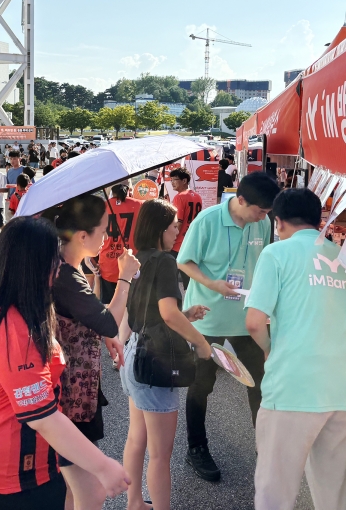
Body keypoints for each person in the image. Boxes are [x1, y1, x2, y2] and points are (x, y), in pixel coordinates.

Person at [0, 217, 130, 510]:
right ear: (33, 265)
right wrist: (103, 465)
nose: (57, 267)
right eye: (53, 260)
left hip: (16, 461)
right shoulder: (12, 326)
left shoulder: (0, 303)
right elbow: (41, 417)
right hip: (7, 473)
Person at [245, 188, 346, 510]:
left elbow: (254, 321)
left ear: (277, 222)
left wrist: (270, 349)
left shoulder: (276, 254)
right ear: (319, 220)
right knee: (331, 490)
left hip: (295, 385)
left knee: (275, 490)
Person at [177, 172, 280, 481]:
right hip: (207, 318)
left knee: (261, 383)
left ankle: (266, 448)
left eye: (267, 213)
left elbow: (263, 263)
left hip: (247, 319)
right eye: (260, 210)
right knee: (201, 386)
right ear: (242, 200)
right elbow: (184, 261)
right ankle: (196, 448)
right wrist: (213, 284)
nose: (264, 217)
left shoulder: (261, 223)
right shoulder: (207, 221)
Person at [46, 194, 140, 510]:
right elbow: (111, 322)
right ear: (83, 236)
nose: (106, 238)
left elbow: (84, 319)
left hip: (71, 385)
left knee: (73, 487)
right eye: (102, 231)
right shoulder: (67, 275)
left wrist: (100, 331)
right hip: (71, 392)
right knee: (88, 489)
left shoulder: (61, 266)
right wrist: (126, 276)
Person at [120, 198, 212, 510]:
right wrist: (201, 343)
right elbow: (168, 315)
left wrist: (187, 314)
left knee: (137, 439)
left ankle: (134, 503)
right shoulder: (164, 261)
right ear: (160, 229)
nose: (178, 231)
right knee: (160, 453)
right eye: (174, 226)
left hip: (136, 352)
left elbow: (154, 314)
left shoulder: (136, 260)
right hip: (155, 361)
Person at [98, 183, 143, 305]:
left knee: (109, 305)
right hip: (130, 262)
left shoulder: (102, 206)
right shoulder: (139, 205)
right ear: (128, 189)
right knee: (129, 307)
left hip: (107, 262)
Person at [169, 167, 202, 289]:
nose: (172, 182)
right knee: (189, 279)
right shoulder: (197, 196)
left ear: (184, 181)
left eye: (175, 179)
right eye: (171, 180)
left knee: (170, 279)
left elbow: (179, 222)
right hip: (191, 240)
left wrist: (169, 238)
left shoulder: (180, 197)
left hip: (178, 243)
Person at [5, 150, 24, 222]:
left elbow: (31, 185)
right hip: (11, 200)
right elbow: (8, 187)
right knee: (9, 222)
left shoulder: (25, 169)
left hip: (22, 200)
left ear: (20, 159)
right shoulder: (9, 171)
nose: (12, 161)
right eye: (11, 159)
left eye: (14, 158)